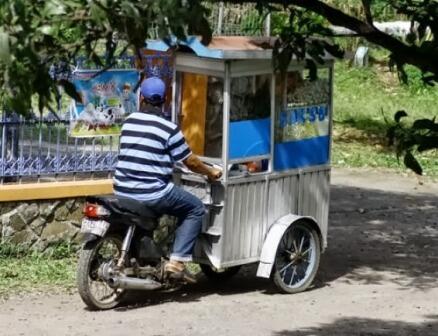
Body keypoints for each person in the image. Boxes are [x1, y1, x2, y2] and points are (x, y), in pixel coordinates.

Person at [113, 76, 222, 283]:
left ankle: (148, 258)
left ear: (141, 98)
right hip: (151, 193)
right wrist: (210, 172)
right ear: (164, 100)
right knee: (195, 208)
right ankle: (177, 262)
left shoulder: (128, 122)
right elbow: (190, 162)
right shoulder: (168, 129)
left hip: (122, 189)